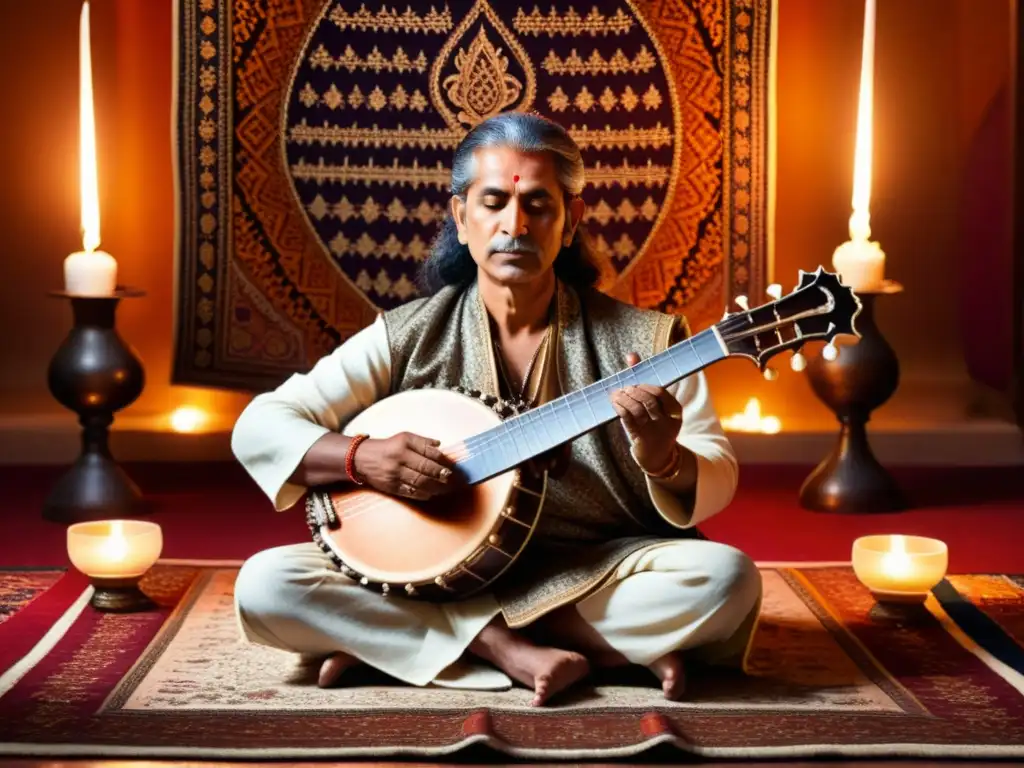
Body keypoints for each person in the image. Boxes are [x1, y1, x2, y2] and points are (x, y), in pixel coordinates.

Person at [231, 112, 762, 707]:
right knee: (265, 584)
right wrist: (363, 458)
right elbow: (260, 426)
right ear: (461, 218)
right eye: (493, 203)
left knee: (725, 579)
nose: (516, 224)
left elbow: (716, 469)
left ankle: (417, 641)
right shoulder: (408, 334)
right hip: (433, 567)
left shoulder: (650, 342)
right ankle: (525, 649)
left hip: (592, 569)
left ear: (571, 222)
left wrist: (664, 458)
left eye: (539, 204)